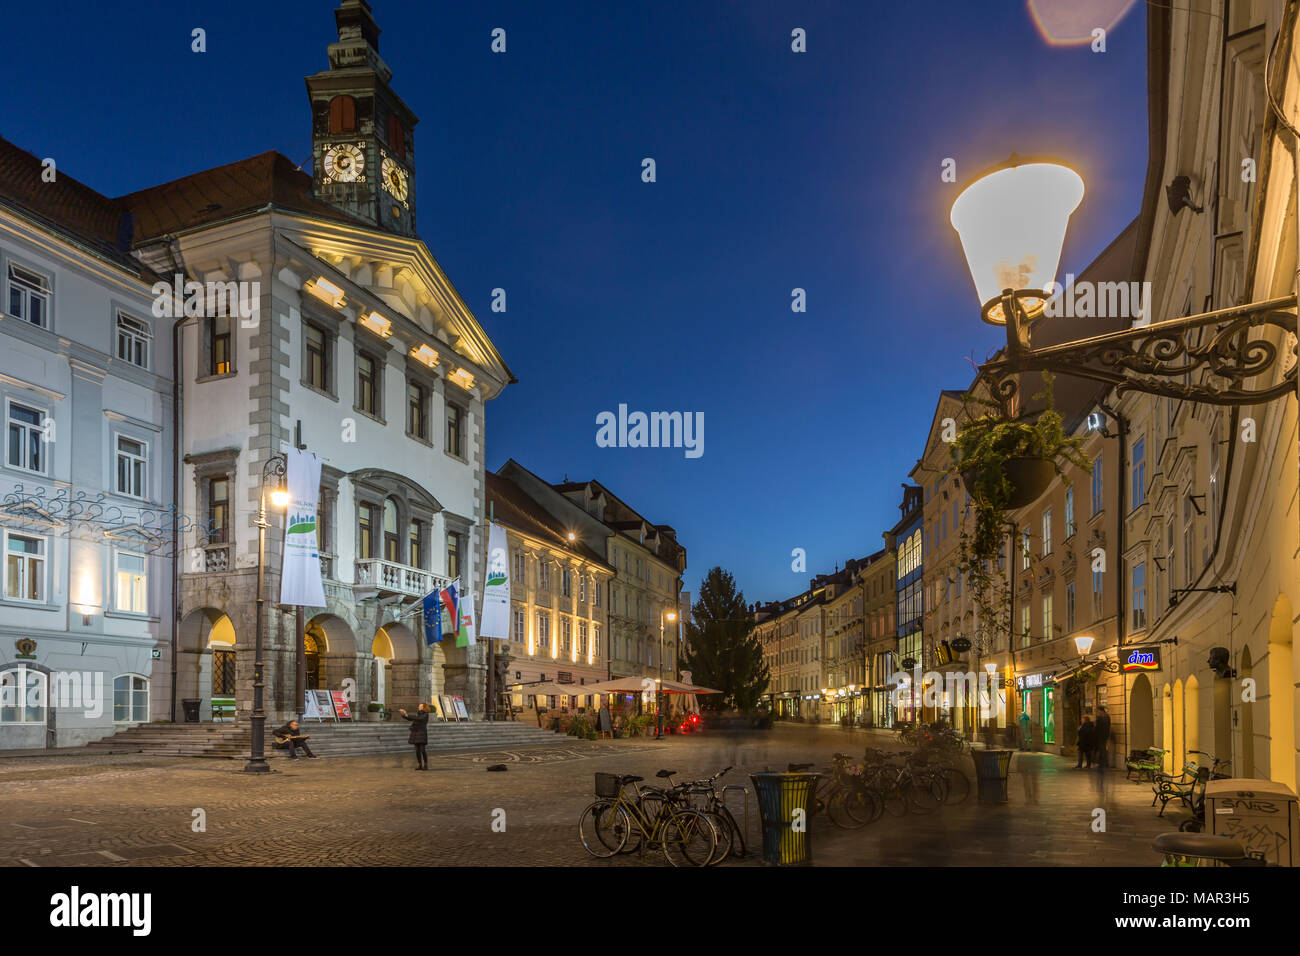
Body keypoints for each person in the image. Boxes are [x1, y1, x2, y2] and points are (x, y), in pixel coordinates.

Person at [399, 702, 430, 770]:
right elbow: (412, 718)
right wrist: (404, 715)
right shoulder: (418, 714)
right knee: (417, 750)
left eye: (420, 706)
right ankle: (419, 764)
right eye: (419, 706)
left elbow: (418, 719)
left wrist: (407, 715)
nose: (419, 707)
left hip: (421, 733)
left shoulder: (425, 714)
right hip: (415, 733)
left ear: (424, 708)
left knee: (422, 750)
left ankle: (425, 764)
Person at [1093, 705, 1111, 770]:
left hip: (1100, 736)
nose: (1096, 712)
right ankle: (1103, 763)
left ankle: (1102, 763)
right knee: (1103, 749)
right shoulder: (1107, 716)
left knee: (1102, 749)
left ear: (1100, 710)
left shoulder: (1100, 717)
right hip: (1105, 735)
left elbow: (1097, 728)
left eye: (1097, 710)